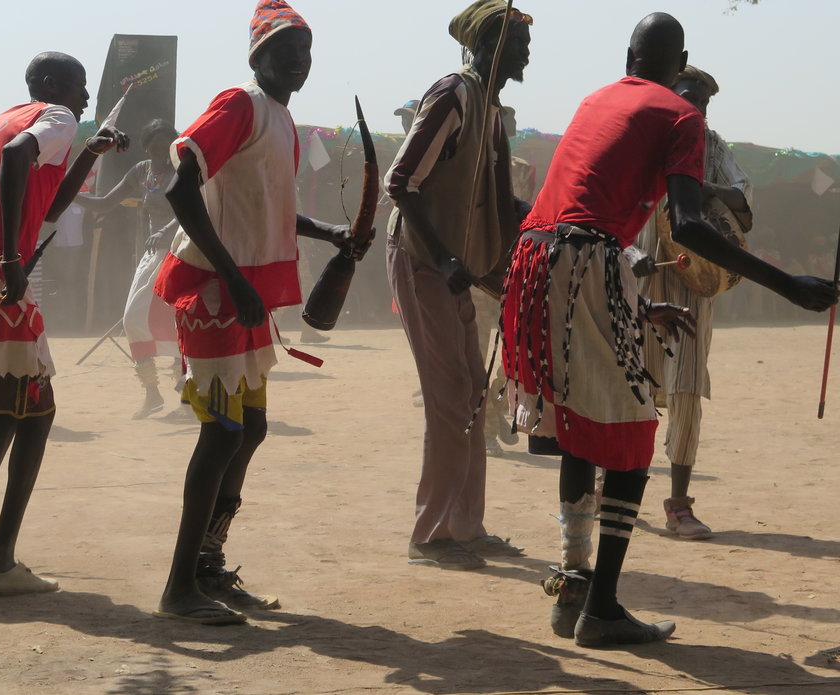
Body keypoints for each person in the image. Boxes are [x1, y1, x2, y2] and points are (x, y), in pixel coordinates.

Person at [502, 13, 838, 647]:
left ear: (628, 55)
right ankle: (599, 608)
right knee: (631, 429)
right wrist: (787, 284)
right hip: (585, 262)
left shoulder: (595, 99)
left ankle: (573, 586)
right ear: (680, 62)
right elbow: (686, 224)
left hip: (537, 260)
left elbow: (580, 208)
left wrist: (633, 296)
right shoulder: (683, 120)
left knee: (575, 426)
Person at [153, 0, 363, 624]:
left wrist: (326, 231)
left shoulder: (281, 121)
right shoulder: (239, 105)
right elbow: (179, 187)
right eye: (286, 52)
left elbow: (267, 205)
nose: (299, 63)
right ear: (259, 57)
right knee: (223, 432)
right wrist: (232, 274)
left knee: (251, 430)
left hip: (244, 297)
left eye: (305, 54)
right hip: (217, 295)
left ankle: (208, 565)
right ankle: (179, 586)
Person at [0, 52, 128, 597]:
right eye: (81, 87)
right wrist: (14, 257)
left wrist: (90, 154)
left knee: (26, 412)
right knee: (20, 412)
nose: (86, 100)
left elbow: (49, 207)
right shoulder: (55, 116)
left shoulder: (2, 120)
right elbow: (19, 159)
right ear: (55, 85)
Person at [384, 0, 531, 572]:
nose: (525, 53)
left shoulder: (490, 110)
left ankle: (467, 526)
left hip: (454, 266)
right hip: (425, 261)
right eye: (515, 42)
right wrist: (445, 257)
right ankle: (433, 535)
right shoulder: (454, 96)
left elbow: (497, 201)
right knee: (451, 398)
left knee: (472, 392)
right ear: (484, 46)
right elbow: (401, 181)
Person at [633, 65, 752, 540]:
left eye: (702, 104)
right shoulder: (641, 135)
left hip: (693, 279)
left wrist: (708, 190)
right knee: (631, 380)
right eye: (687, 98)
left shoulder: (711, 144)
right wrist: (627, 252)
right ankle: (606, 485)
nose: (694, 109)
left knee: (684, 386)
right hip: (638, 275)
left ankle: (678, 505)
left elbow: (744, 198)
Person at [80, 118, 181, 419]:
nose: (162, 154)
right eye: (156, 148)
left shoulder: (184, 170)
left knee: (180, 322)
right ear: (147, 148)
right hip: (154, 256)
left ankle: (188, 392)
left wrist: (165, 232)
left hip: (183, 252)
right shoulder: (142, 172)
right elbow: (103, 204)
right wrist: (62, 194)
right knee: (133, 319)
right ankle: (152, 393)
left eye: (167, 148)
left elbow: (197, 207)